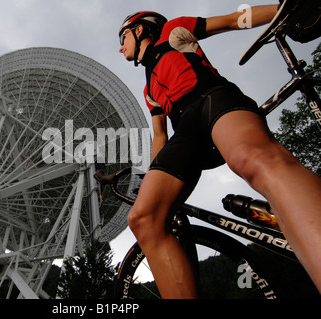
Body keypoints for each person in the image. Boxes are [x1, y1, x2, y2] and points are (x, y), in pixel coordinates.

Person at [118, 4, 321, 298]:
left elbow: (233, 19)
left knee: (252, 158)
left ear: (139, 30)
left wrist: (285, 10)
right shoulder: (149, 88)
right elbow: (159, 135)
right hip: (186, 131)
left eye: (122, 37)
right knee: (143, 218)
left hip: (213, 100)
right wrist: (152, 178)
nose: (119, 46)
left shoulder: (174, 30)